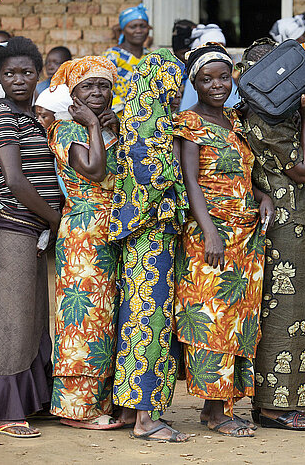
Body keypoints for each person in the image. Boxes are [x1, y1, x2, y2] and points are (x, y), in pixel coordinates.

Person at [173, 43, 274, 437]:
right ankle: (216, 413)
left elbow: (243, 173)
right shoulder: (189, 123)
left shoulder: (234, 120)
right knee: (213, 319)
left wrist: (260, 196)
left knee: (238, 320)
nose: (216, 84)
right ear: (193, 82)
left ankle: (220, 406)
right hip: (211, 237)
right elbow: (192, 181)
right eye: (205, 78)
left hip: (246, 237)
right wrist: (210, 232)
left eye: (222, 76)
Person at [0, 37, 63, 438]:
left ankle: (29, 400)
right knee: (7, 323)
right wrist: (54, 219)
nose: (19, 79)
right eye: (9, 73)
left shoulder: (34, 118)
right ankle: (1, 410)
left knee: (30, 321)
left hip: (33, 233)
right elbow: (13, 180)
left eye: (27, 72)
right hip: (13, 228)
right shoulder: (4, 117)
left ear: (39, 74)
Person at [108, 49, 190, 443]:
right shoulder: (150, 125)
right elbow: (152, 179)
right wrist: (180, 193)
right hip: (151, 237)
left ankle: (129, 409)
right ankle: (146, 419)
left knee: (135, 323)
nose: (178, 91)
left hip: (141, 238)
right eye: (174, 82)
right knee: (151, 325)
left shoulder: (138, 118)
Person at [238, 39, 305, 431]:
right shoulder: (268, 123)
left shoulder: (248, 113)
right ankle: (273, 407)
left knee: (279, 309)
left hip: (275, 221)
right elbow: (302, 170)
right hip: (284, 225)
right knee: (286, 312)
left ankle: (272, 402)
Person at [47, 56, 124, 430]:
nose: (96, 92)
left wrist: (115, 130)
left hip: (112, 230)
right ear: (73, 93)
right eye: (87, 86)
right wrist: (93, 125)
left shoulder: (111, 127)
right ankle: (75, 409)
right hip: (83, 230)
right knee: (83, 319)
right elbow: (94, 169)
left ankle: (100, 401)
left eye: (103, 85)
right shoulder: (66, 129)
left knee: (106, 318)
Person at [179, 24, 240, 111]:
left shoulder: (233, 117)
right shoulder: (189, 122)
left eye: (224, 77)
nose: (217, 85)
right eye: (207, 79)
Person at [103, 4, 150, 113]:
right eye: (133, 27)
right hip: (117, 115)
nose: (139, 30)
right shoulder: (112, 56)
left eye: (143, 26)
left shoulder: (150, 56)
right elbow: (103, 87)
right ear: (123, 30)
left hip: (147, 116)